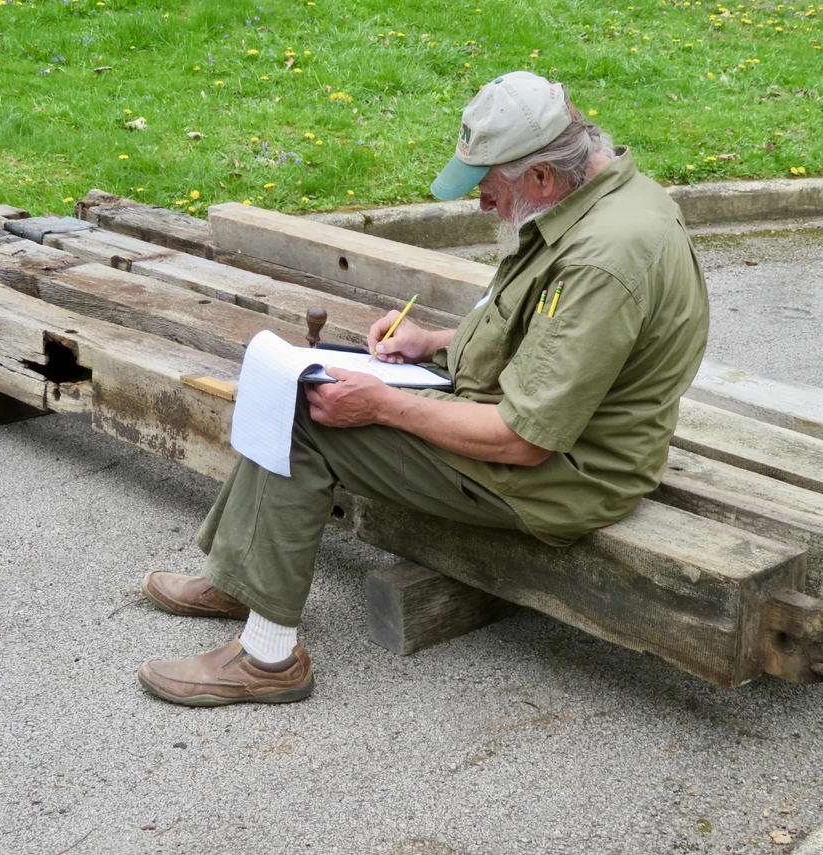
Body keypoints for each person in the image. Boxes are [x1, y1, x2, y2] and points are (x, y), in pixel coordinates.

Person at [136, 71, 710, 707]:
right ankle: (244, 579)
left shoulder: (604, 257)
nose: (482, 204)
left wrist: (381, 403)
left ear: (542, 176)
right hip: (556, 433)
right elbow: (551, 339)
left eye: (488, 187)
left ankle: (268, 660)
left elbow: (523, 440)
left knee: (311, 418)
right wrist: (437, 340)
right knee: (305, 381)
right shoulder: (611, 199)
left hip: (567, 476)